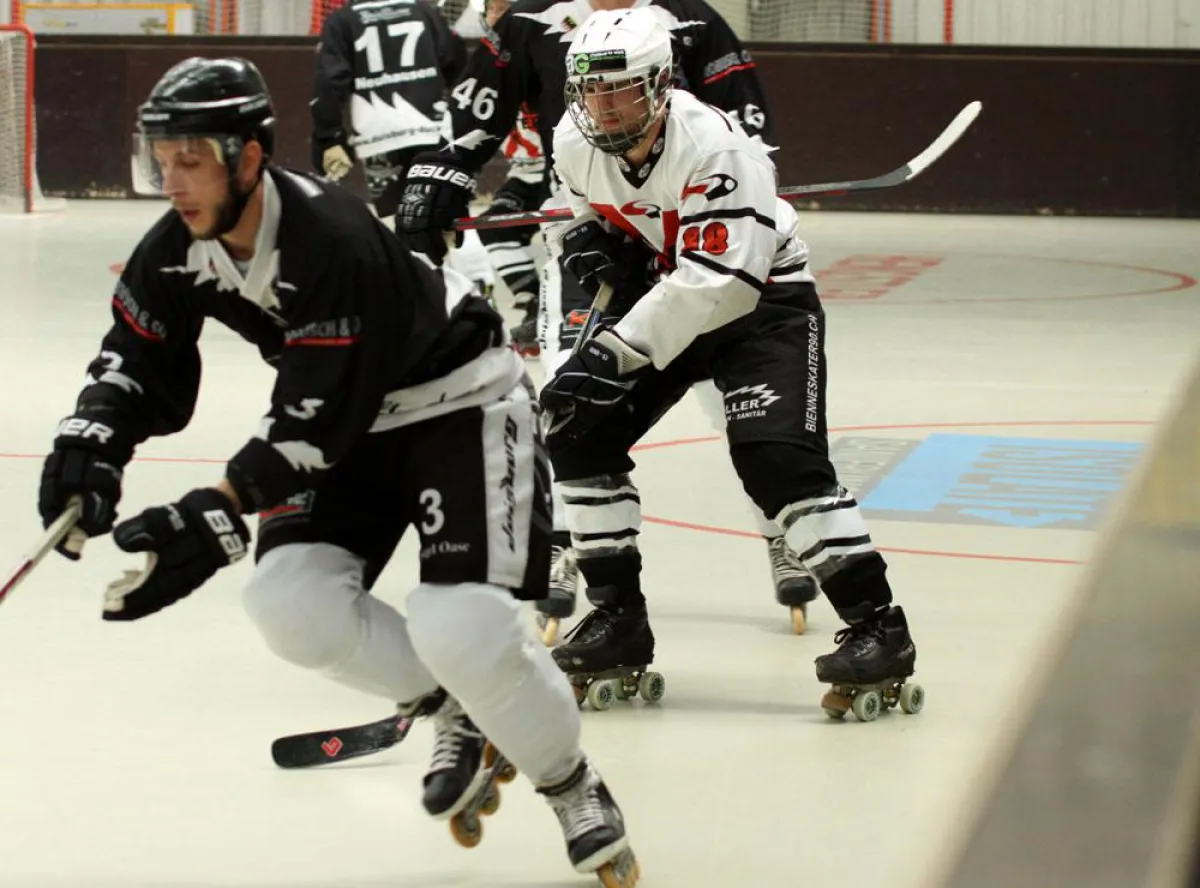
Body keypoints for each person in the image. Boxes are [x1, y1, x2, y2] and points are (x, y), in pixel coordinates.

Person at [38, 57, 637, 883]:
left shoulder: (332, 238)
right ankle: (454, 703)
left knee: (458, 625)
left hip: (456, 401)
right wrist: (90, 443)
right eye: (161, 159)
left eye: (192, 159)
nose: (173, 182)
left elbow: (319, 418)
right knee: (289, 609)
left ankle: (570, 781)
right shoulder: (179, 245)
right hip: (342, 413)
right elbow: (137, 356)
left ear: (248, 158)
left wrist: (217, 507)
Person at [396, 0, 818, 639]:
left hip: (688, 239)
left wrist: (740, 186)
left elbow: (746, 125)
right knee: (571, 390)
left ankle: (781, 530)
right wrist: (438, 176)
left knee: (734, 393)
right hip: (588, 230)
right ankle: (572, 544)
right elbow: (474, 114)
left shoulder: (688, 18)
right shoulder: (531, 20)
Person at [538, 9, 919, 704]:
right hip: (665, 295)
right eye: (592, 92)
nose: (605, 107)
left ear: (660, 84)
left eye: (622, 90)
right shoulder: (571, 139)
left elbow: (721, 285)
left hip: (761, 305)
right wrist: (588, 238)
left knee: (777, 461)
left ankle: (878, 625)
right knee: (573, 427)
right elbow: (580, 205)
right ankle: (619, 616)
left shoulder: (717, 148)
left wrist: (615, 353)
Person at [310, 0, 494, 295]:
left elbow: (331, 80)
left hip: (379, 137)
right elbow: (455, 60)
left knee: (403, 219)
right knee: (450, 207)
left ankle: (427, 298)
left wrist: (329, 137)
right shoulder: (422, 11)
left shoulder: (342, 20)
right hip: (432, 127)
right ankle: (479, 282)